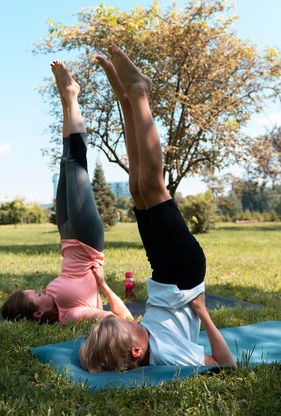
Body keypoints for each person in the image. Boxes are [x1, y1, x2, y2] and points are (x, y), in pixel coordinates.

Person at [79, 45, 236, 371]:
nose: (130, 320)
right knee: (153, 187)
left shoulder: (138, 340)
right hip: (185, 274)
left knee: (137, 189)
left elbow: (122, 315)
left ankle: (126, 99)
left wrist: (104, 286)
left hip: (164, 278)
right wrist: (203, 312)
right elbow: (226, 363)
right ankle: (138, 92)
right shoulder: (169, 354)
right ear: (136, 351)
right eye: (128, 326)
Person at [1, 61, 132, 324]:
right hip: (86, 241)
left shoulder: (51, 299)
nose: (42, 290)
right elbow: (124, 320)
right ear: (38, 313)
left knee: (64, 160)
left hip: (67, 239)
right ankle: (72, 95)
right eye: (38, 294)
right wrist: (104, 286)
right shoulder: (72, 314)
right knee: (75, 163)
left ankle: (67, 100)